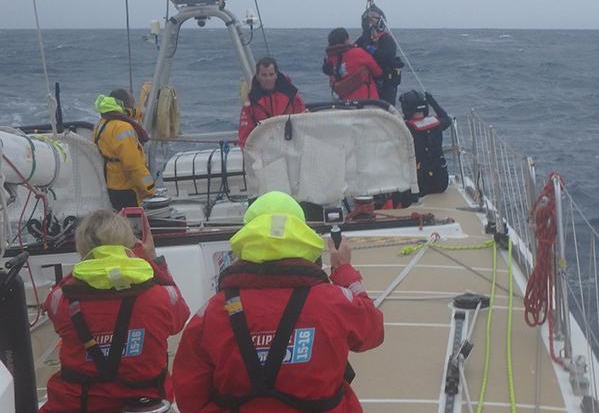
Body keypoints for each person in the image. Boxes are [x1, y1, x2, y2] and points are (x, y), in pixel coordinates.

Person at [172, 191, 384, 412]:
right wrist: (344, 272)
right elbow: (373, 331)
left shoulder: (212, 312)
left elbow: (189, 393)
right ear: (301, 237)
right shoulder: (334, 302)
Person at [40, 210, 190, 413]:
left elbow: (54, 307)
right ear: (130, 245)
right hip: (146, 404)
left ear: (83, 247)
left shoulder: (62, 298)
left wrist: (85, 267)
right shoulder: (161, 295)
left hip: (77, 405)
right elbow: (180, 317)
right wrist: (153, 260)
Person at [94, 89, 156, 211]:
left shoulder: (102, 123)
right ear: (124, 106)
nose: (134, 107)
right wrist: (149, 188)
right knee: (133, 226)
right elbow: (133, 165)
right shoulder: (123, 127)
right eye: (132, 104)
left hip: (113, 185)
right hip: (128, 189)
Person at [239, 57, 306, 148]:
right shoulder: (251, 103)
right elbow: (245, 137)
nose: (268, 79)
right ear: (258, 77)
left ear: (276, 75)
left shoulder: (292, 96)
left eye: (271, 74)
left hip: (291, 147)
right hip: (264, 151)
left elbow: (303, 121)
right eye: (264, 75)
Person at [400, 90, 452, 195]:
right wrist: (432, 101)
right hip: (441, 183)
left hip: (420, 185)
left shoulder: (405, 128)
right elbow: (446, 118)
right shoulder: (436, 124)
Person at [355, 5, 403, 105]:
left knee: (385, 108)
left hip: (386, 81)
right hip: (368, 82)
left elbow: (387, 57)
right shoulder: (364, 40)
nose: (370, 21)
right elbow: (352, 51)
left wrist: (370, 49)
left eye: (373, 18)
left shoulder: (386, 39)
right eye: (368, 18)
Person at [322, 27, 383, 101]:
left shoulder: (329, 60)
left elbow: (333, 83)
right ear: (346, 40)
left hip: (344, 104)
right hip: (367, 101)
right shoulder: (358, 52)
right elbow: (377, 71)